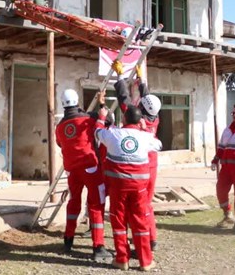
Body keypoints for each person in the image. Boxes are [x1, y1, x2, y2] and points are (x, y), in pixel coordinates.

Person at [95, 104, 161, 272]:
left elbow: (97, 132)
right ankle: (145, 261)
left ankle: (122, 259)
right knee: (140, 222)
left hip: (118, 187)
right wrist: (145, 130)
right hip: (139, 188)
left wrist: (101, 118)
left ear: (123, 119)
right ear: (140, 121)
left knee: (119, 222)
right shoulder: (145, 137)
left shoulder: (113, 134)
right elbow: (158, 145)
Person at [54, 89, 110, 262]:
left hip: (72, 170)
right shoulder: (89, 119)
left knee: (73, 202)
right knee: (96, 205)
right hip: (90, 167)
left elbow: (60, 143)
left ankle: (68, 240)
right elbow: (107, 121)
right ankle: (98, 246)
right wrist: (102, 103)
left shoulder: (59, 127)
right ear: (77, 100)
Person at [112, 61, 162, 250]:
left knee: (133, 205)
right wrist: (141, 81)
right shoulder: (154, 117)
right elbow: (148, 99)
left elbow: (123, 98)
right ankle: (151, 238)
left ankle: (139, 240)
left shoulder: (136, 117)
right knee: (146, 203)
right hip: (151, 163)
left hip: (137, 164)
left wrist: (120, 77)